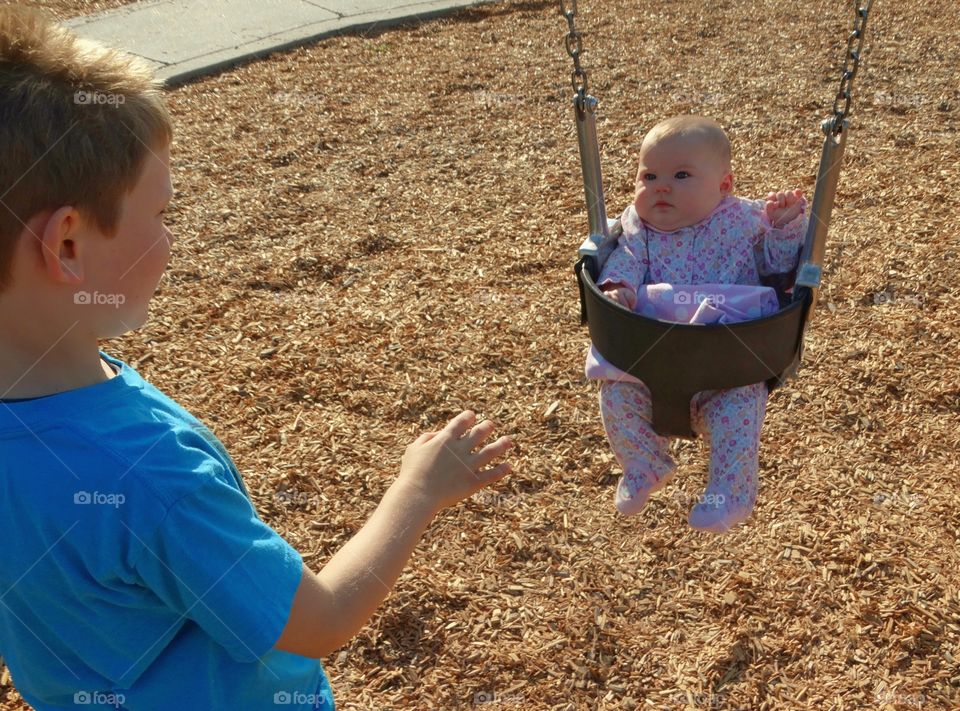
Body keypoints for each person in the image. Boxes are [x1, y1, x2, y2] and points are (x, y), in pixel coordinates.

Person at [0, 7, 513, 709]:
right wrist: (419, 487)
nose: (170, 238)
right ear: (66, 244)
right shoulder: (146, 475)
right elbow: (321, 619)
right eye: (161, 215)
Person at [585, 115, 807, 533]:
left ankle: (729, 494)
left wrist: (783, 225)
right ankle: (643, 464)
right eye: (648, 175)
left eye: (681, 175)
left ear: (724, 186)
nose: (661, 186)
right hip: (648, 362)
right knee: (614, 398)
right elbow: (625, 259)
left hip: (728, 364)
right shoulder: (638, 227)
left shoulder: (743, 220)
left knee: (740, 414)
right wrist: (618, 288)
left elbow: (779, 270)